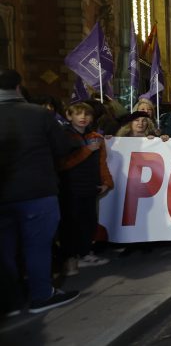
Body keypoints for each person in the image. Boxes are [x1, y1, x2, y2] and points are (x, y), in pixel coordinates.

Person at [0, 69, 78, 315]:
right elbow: (63, 147)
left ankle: (10, 302)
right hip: (37, 192)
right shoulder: (39, 115)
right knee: (37, 246)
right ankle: (41, 294)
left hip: (3, 195)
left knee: (4, 249)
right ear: (19, 87)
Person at [58, 102, 114, 276]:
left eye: (86, 115)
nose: (83, 118)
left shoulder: (96, 136)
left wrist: (106, 182)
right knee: (70, 224)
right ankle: (71, 258)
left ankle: (84, 253)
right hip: (70, 188)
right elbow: (62, 163)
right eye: (78, 114)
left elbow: (101, 162)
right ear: (69, 116)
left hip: (90, 186)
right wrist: (86, 150)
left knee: (88, 221)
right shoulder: (64, 136)